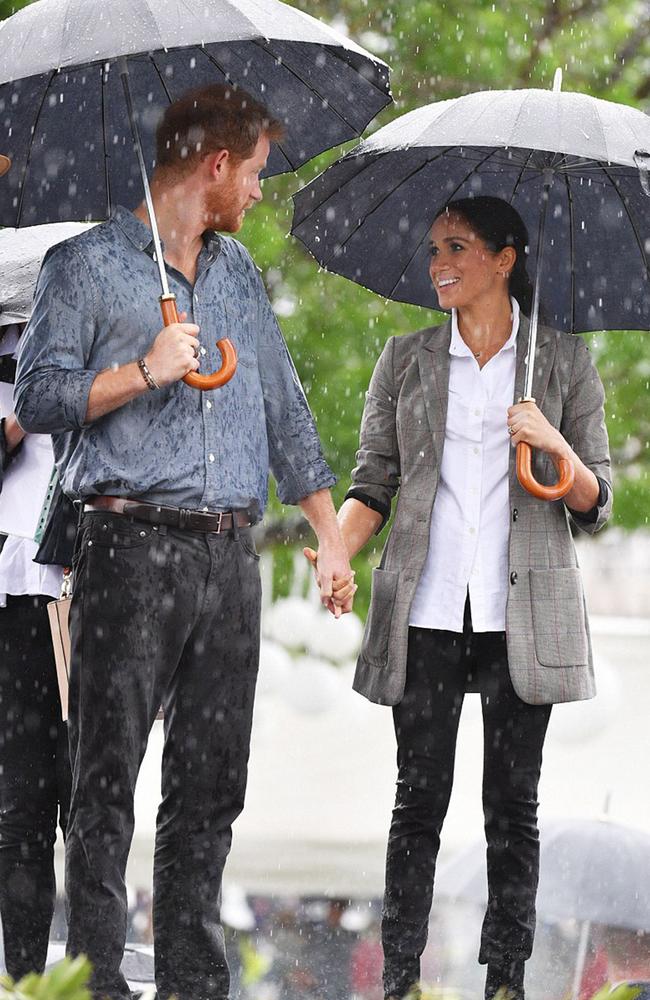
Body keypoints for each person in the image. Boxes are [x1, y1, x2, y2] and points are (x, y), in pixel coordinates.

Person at [15, 84, 353, 1000]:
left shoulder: (239, 275)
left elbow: (284, 409)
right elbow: (38, 397)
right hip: (125, 549)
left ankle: (196, 984)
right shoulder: (81, 267)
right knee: (105, 780)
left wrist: (327, 536)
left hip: (226, 559)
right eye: (252, 173)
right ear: (213, 165)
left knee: (210, 788)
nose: (256, 191)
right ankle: (93, 981)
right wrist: (140, 372)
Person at [307, 196, 612, 1000]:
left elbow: (595, 502)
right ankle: (401, 976)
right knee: (418, 801)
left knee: (513, 807)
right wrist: (336, 549)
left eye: (457, 247)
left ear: (505, 260)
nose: (438, 262)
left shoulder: (564, 363)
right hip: (429, 609)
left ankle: (503, 979)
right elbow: (373, 482)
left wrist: (555, 446)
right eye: (433, 247)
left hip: (524, 615)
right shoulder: (404, 359)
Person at [0, 322, 72, 978]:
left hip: (91, 593)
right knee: (21, 805)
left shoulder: (110, 341)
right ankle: (23, 978)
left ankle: (95, 971)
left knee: (92, 799)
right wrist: (21, 415)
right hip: (14, 598)